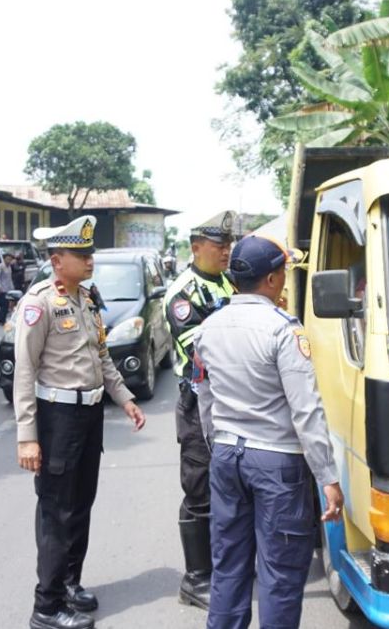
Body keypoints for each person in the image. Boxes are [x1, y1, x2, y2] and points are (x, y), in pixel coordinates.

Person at [194, 235, 344, 629]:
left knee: (228, 564)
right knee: (280, 572)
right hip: (276, 462)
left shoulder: (207, 330)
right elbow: (306, 410)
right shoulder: (283, 330)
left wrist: (219, 448)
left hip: (227, 456)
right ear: (274, 279)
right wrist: (328, 477)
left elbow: (203, 398)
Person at [14, 215, 147, 629]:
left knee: (81, 504)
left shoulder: (86, 298)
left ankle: (69, 583)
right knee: (57, 511)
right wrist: (26, 438)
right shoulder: (39, 304)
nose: (90, 260)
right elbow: (24, 370)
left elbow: (101, 355)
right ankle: (46, 607)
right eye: (81, 254)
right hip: (58, 418)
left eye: (91, 253)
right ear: (57, 260)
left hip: (89, 415)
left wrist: (124, 398)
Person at [162, 210, 238, 609]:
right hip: (199, 400)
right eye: (218, 245)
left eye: (228, 245)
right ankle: (196, 579)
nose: (226, 251)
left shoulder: (228, 281)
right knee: (199, 487)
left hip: (231, 398)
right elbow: (200, 347)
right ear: (196, 248)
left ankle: (226, 564)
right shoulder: (183, 292)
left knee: (231, 482)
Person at [0, 252, 16, 324]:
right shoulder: (0, 266)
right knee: (3, 305)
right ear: (4, 259)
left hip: (8, 289)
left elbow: (10, 279)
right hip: (2, 289)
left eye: (10, 259)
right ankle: (0, 320)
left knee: (7, 305)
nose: (9, 261)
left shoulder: (9, 267)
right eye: (7, 259)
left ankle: (2, 320)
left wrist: (12, 288)